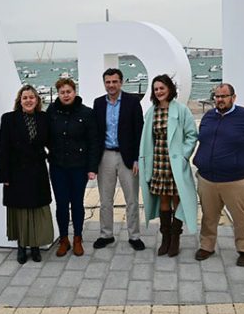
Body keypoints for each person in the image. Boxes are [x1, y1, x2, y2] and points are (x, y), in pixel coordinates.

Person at [193, 83, 244, 267]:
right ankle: (207, 246)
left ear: (233, 97)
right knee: (209, 216)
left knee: (240, 217)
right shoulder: (209, 116)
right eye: (217, 96)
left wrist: (240, 159)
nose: (219, 100)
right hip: (207, 178)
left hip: (237, 180)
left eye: (224, 96)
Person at [138, 74, 198, 257]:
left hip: (176, 163)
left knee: (177, 199)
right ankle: (165, 238)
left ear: (169, 89)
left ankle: (175, 238)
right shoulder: (151, 112)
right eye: (156, 89)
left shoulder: (181, 110)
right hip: (159, 162)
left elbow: (192, 135)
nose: (159, 92)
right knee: (164, 200)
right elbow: (147, 139)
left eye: (162, 88)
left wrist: (183, 156)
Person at [0, 84, 54, 265]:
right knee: (20, 211)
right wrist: (4, 176)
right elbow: (3, 149)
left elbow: (51, 143)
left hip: (37, 171)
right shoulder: (8, 119)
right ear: (19, 101)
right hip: (16, 173)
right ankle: (22, 246)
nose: (28, 100)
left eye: (32, 97)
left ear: (37, 100)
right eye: (25, 98)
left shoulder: (44, 118)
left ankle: (35, 246)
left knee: (36, 209)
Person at [93, 68, 145, 250]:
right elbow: (95, 133)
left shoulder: (132, 102)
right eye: (108, 82)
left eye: (114, 81)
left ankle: (134, 236)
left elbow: (140, 131)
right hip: (105, 156)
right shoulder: (98, 103)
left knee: (131, 199)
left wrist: (138, 158)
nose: (111, 85)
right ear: (104, 83)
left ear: (121, 82)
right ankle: (106, 234)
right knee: (105, 199)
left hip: (128, 157)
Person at [47, 77, 100, 257]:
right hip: (57, 166)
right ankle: (64, 239)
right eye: (62, 92)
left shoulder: (86, 113)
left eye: (68, 91)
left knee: (77, 203)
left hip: (79, 167)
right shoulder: (51, 112)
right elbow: (45, 137)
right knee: (61, 204)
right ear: (58, 94)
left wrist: (92, 168)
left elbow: (94, 142)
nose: (66, 95)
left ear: (74, 92)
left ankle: (78, 238)